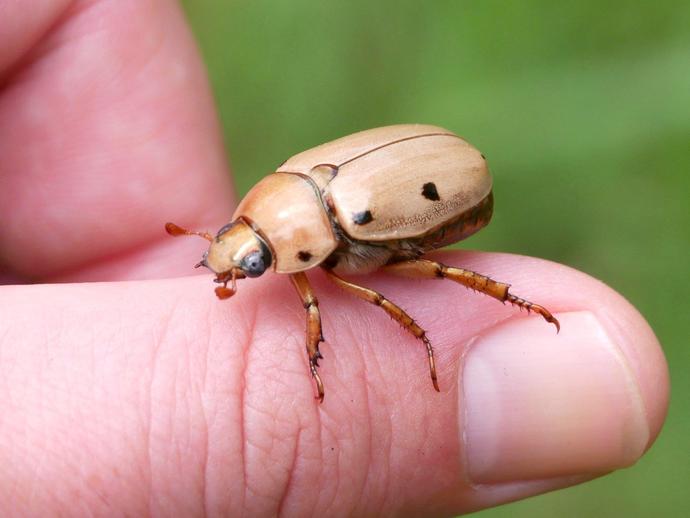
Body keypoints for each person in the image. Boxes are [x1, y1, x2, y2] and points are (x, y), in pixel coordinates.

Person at [0, 1, 668, 515]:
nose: (235, 267)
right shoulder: (291, 194)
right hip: (377, 183)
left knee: (420, 277)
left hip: (431, 192)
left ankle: (510, 306)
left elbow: (357, 295)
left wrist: (339, 352)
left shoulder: (323, 256)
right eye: (240, 250)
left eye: (250, 260)